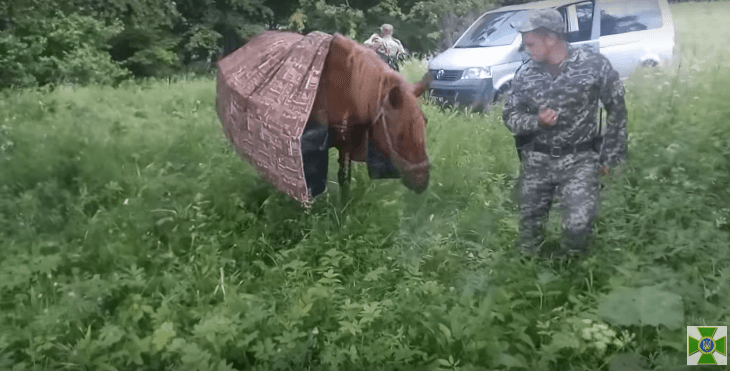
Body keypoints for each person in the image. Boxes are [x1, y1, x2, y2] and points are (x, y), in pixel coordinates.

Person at [502, 8, 627, 258]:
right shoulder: (525, 75)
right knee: (529, 229)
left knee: (578, 226)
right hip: (537, 160)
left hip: (580, 160)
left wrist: (608, 156)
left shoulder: (594, 65)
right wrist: (536, 121)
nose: (527, 49)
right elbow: (510, 116)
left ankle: (572, 272)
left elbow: (617, 110)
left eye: (531, 43)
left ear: (550, 38)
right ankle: (531, 277)